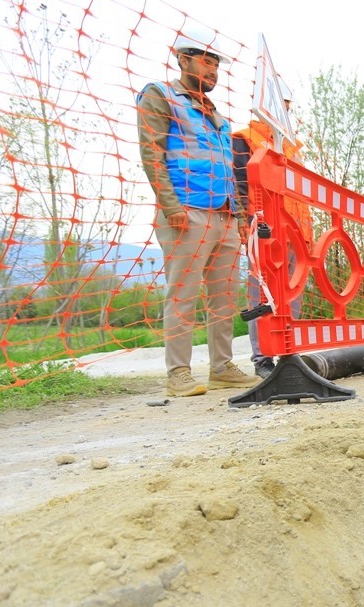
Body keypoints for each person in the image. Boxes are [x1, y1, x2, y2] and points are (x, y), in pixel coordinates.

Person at [136, 27, 258, 397]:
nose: (212, 71)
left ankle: (221, 368)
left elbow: (227, 167)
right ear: (182, 59)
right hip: (186, 214)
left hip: (222, 216)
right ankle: (178, 374)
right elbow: (151, 153)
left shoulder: (217, 117)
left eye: (216, 64)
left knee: (224, 298)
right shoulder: (160, 96)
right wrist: (170, 206)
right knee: (183, 294)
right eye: (206, 61)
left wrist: (238, 217)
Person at [231, 78, 312, 377]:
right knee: (262, 296)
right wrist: (245, 221)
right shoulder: (245, 138)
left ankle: (290, 354)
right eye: (281, 107)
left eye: (287, 108)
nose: (285, 114)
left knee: (293, 295)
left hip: (296, 234)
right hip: (263, 230)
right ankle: (262, 359)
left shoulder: (292, 147)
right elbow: (239, 184)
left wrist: (308, 237)